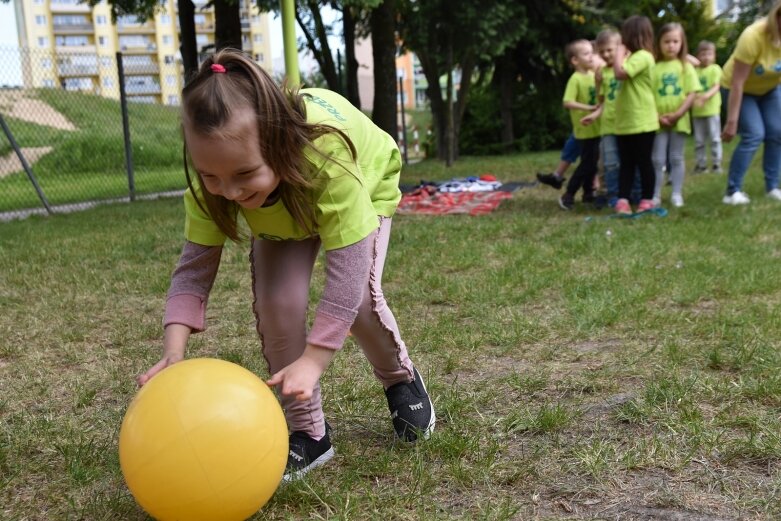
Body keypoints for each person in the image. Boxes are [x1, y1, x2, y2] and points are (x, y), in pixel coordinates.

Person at [136, 50, 435, 481]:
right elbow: (193, 270)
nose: (230, 191)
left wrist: (314, 359)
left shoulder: (327, 155)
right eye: (211, 176)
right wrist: (174, 350)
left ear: (276, 144)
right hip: (286, 217)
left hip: (362, 185)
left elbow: (347, 273)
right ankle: (308, 432)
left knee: (363, 304)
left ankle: (399, 379)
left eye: (244, 173)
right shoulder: (215, 184)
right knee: (278, 303)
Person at [721, 0, 781, 205]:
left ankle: (772, 186)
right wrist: (731, 122)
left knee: (777, 131)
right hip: (740, 89)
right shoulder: (753, 36)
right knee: (755, 134)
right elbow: (738, 83)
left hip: (770, 89)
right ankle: (732, 191)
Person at [651, 23, 702, 208]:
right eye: (666, 41)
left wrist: (678, 113)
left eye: (675, 41)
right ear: (659, 44)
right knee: (657, 159)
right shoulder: (653, 67)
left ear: (682, 43)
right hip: (657, 122)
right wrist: (657, 116)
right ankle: (654, 195)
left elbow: (692, 93)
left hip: (679, 121)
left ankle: (676, 193)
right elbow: (647, 95)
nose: (671, 45)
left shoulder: (685, 66)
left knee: (676, 157)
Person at [613, 15, 659, 214]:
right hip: (626, 121)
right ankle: (623, 199)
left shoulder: (643, 56)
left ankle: (647, 199)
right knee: (627, 163)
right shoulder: (634, 57)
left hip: (642, 121)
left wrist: (619, 52)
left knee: (643, 161)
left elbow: (620, 73)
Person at [557, 39, 601, 210]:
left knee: (592, 162)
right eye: (586, 53)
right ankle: (568, 194)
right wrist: (589, 107)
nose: (591, 56)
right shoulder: (575, 79)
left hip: (597, 128)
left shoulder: (593, 75)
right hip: (584, 130)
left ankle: (588, 192)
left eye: (592, 52)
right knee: (588, 164)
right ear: (575, 60)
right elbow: (567, 102)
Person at [692, 40, 723, 174]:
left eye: (709, 54)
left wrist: (705, 96)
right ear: (698, 56)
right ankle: (701, 165)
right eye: (703, 54)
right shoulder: (694, 71)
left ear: (714, 56)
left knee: (715, 138)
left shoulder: (715, 69)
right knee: (699, 141)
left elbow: (716, 86)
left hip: (712, 110)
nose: (706, 57)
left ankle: (716, 164)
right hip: (697, 111)